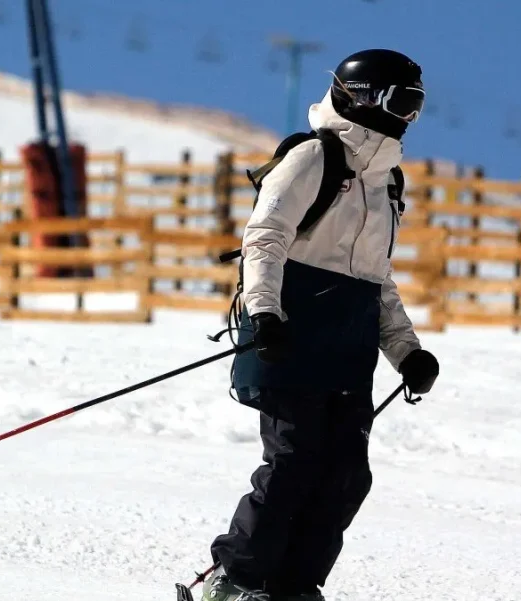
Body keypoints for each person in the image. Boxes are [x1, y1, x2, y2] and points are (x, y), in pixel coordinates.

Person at [204, 49, 440, 601]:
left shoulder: (386, 182)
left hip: (348, 348)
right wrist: (264, 311)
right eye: (402, 101)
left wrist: (407, 352)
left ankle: (293, 586)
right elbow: (263, 239)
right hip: (290, 336)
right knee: (292, 464)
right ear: (363, 97)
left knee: (344, 478)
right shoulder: (312, 157)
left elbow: (376, 280)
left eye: (417, 106)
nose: (408, 117)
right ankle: (237, 580)